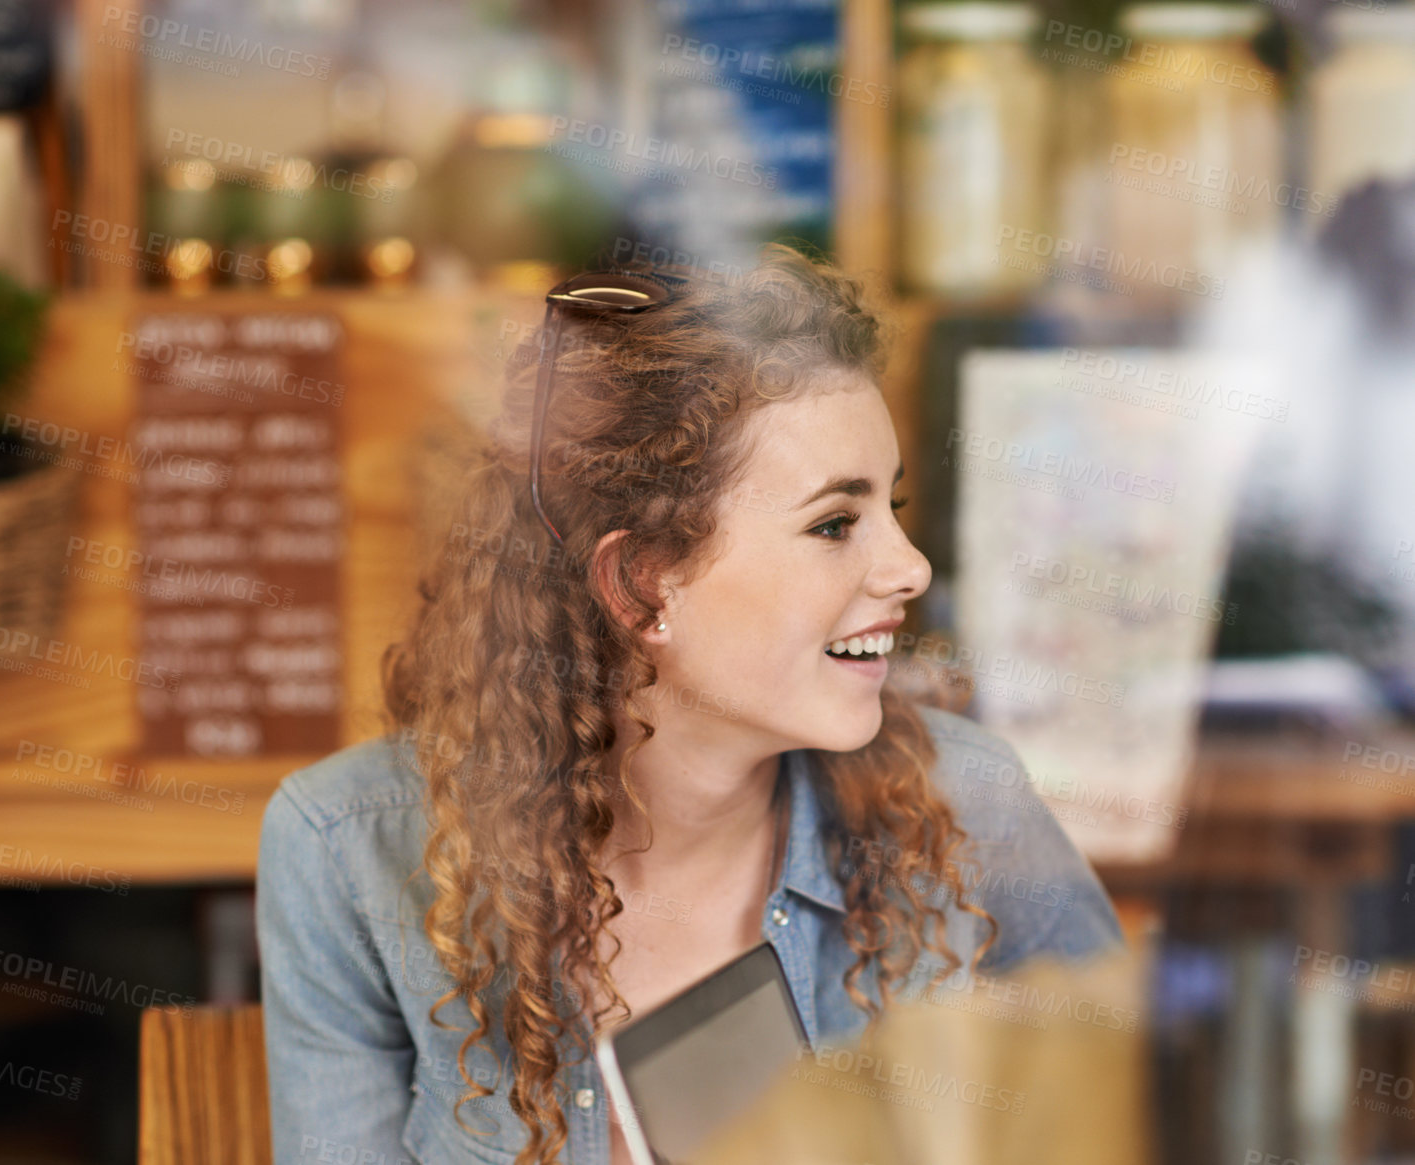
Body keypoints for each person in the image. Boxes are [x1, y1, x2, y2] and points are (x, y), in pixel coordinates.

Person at [256, 243, 1124, 1165]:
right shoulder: (345, 847)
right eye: (835, 522)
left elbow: (1140, 1116)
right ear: (640, 584)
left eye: (891, 507)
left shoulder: (966, 800)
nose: (909, 567)